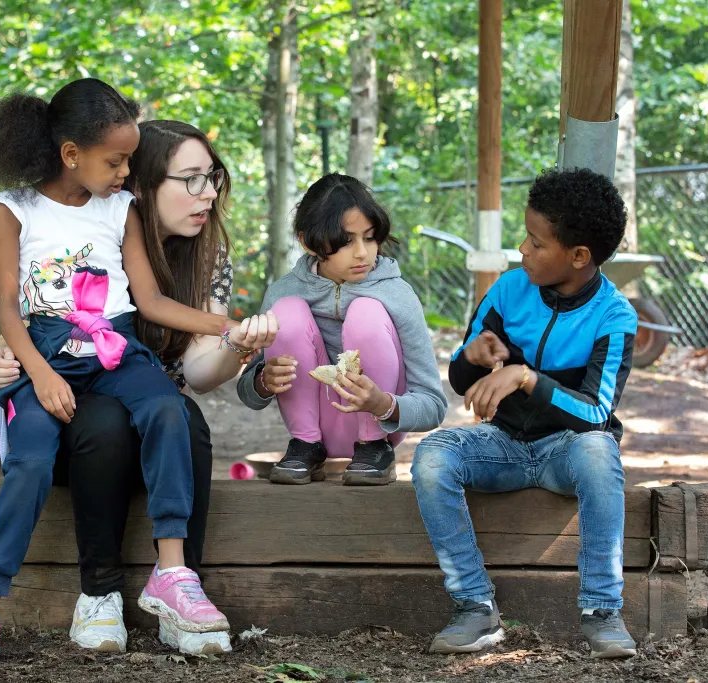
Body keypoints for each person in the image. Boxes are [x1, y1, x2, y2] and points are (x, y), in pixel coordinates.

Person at [0, 80, 272, 667]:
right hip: (44, 352)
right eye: (116, 160)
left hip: (114, 347)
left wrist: (227, 326)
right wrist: (40, 374)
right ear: (72, 154)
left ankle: (171, 572)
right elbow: (6, 310)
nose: (125, 172)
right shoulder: (11, 209)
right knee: (29, 462)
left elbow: (147, 301)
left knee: (169, 410)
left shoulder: (120, 209)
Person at [411, 167, 639, 659]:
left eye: (536, 242)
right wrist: (472, 358)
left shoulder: (614, 317)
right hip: (504, 446)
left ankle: (602, 610)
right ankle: (474, 606)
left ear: (579, 257)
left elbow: (597, 412)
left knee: (600, 450)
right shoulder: (508, 290)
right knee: (432, 456)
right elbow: (461, 381)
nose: (522, 249)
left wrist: (527, 377)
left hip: (568, 451)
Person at [237, 173, 448, 485]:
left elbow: (434, 405)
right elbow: (248, 393)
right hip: (316, 422)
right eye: (346, 241)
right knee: (288, 312)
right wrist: (264, 381)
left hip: (382, 421)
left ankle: (373, 447)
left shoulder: (397, 294)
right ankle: (305, 446)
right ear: (308, 241)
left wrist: (384, 404)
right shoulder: (281, 292)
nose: (362, 252)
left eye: (370, 237)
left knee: (366, 311)